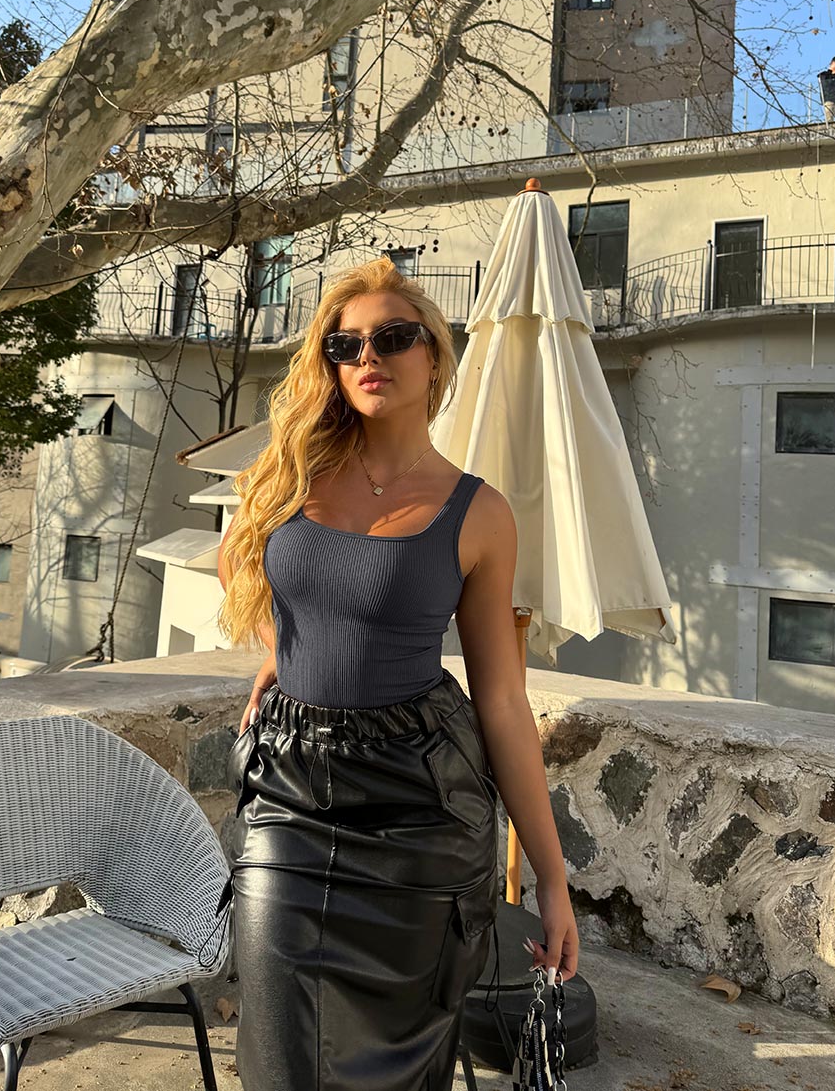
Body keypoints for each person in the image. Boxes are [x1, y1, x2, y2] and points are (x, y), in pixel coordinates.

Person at [216, 256, 579, 1091]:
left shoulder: (478, 512)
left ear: (434, 356)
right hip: (290, 795)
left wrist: (554, 881)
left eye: (392, 337)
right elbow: (239, 565)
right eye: (345, 345)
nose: (368, 357)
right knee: (279, 1055)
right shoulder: (287, 475)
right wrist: (284, 648)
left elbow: (501, 699)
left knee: (401, 1066)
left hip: (423, 805)